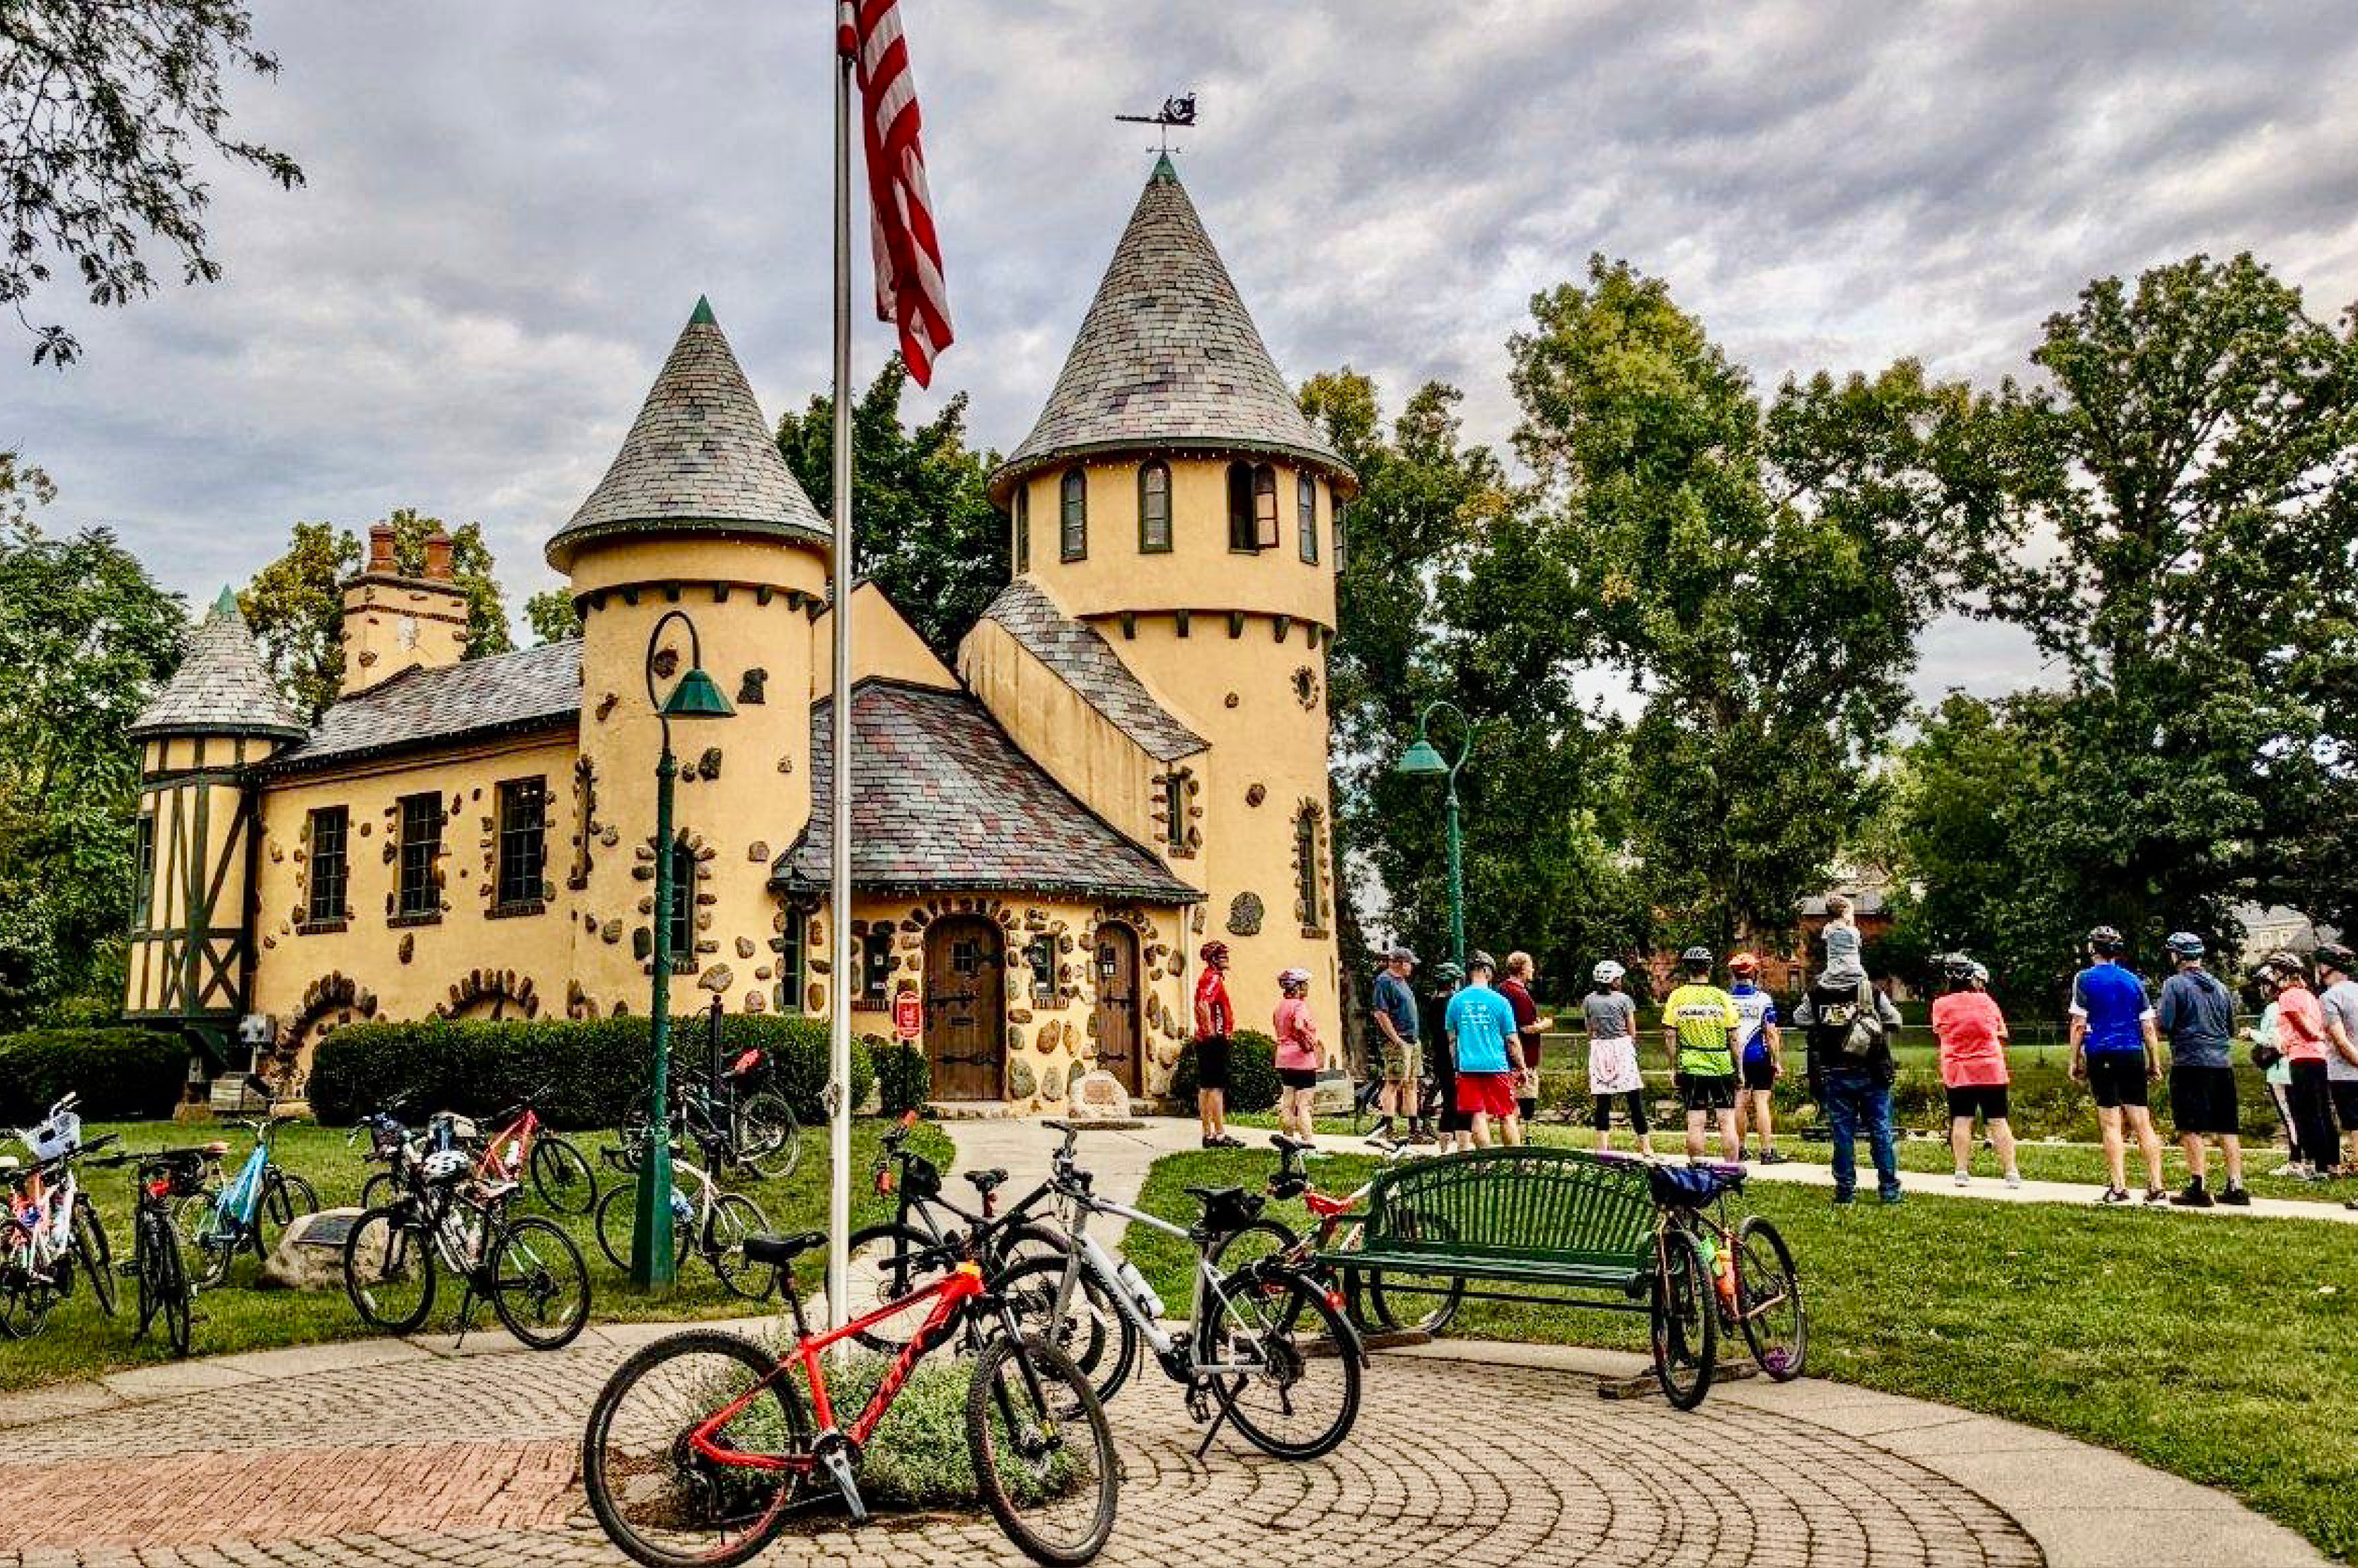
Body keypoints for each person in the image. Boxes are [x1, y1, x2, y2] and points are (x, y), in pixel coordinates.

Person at [2067, 924, 2165, 1205]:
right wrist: (2155, 1062)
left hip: (2102, 1053)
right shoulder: (2134, 980)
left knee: (2111, 1122)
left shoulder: (2084, 978)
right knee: (2142, 1121)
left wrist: (2074, 1060)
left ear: (2092, 949)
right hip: (2133, 1052)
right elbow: (2148, 1027)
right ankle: (2156, 1186)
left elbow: (2079, 1024)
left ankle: (2119, 1186)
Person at [1795, 967, 1906, 1204]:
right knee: (1881, 1130)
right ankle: (1889, 1189)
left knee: (1842, 1133)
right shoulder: (1871, 991)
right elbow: (1895, 1021)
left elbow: (1800, 1019)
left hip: (1834, 1071)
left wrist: (1830, 1021)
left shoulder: (1816, 994)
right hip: (1873, 1071)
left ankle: (1845, 1191)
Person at [2156, 931, 2247, 1207]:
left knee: (2191, 1125)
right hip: (2222, 1063)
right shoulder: (2220, 987)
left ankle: (2198, 1186)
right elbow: (2230, 1027)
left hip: (2190, 1062)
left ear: (2177, 956)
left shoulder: (2174, 984)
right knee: (2227, 1126)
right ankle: (2236, 1185)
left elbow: (2165, 1024)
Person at [1931, 954, 2021, 1188]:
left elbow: (1939, 1031)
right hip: (1991, 1068)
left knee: (1962, 1119)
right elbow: (2000, 1030)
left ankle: (1961, 1171)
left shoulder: (1940, 1004)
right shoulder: (1987, 1001)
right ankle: (2011, 1172)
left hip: (1959, 1069)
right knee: (1998, 1120)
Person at [1662, 947, 1740, 1161]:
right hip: (1721, 1064)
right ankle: (1731, 1168)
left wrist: (1673, 1067)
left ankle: (1697, 1167)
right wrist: (1740, 1069)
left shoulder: (1677, 996)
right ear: (1710, 968)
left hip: (1691, 1064)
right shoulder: (1721, 996)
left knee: (1696, 1121)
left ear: (1687, 969)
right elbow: (1734, 1037)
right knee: (1727, 1120)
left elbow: (1670, 1035)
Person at [2267, 952, 2337, 1181]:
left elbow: (2303, 1028)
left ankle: (2318, 1166)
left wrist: (2312, 1036)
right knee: (2323, 1110)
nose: (2274, 976)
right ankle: (2332, 1162)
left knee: (2308, 1112)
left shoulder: (2287, 997)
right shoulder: (2310, 996)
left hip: (2302, 1057)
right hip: (2320, 1057)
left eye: (2275, 971)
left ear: (2283, 973)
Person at [1445, 951, 1524, 1148]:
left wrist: (1456, 1066)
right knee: (1506, 1114)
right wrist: (1521, 1067)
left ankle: (1485, 1161)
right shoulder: (1500, 1002)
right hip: (1496, 1066)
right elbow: (1512, 1040)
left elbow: (1452, 1040)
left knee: (1477, 1114)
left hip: (1468, 1067)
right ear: (1488, 971)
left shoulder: (1456, 1001)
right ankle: (1515, 1159)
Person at [1583, 960, 1651, 1154]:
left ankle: (1602, 1148)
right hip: (1621, 1048)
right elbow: (1632, 1030)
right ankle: (1646, 1147)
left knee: (1603, 1101)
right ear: (1613, 980)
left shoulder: (1589, 1000)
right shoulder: (1624, 1000)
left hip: (1600, 1049)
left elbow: (1589, 1029)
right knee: (1634, 1099)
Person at [1727, 952, 1786, 1163]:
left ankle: (1740, 1149)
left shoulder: (1726, 999)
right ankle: (1767, 1152)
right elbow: (1771, 1033)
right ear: (1754, 973)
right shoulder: (1763, 999)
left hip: (1735, 1057)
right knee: (1761, 1102)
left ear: (1734, 974)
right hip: (1759, 1056)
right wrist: (1776, 1061)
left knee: (1739, 1102)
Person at [1368, 946, 1428, 1143]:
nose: (1412, 967)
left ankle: (1413, 1129)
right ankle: (1388, 1127)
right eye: (1409, 964)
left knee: (1411, 1083)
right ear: (1399, 963)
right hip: (1398, 1041)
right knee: (1393, 1083)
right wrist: (1395, 1039)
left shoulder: (1402, 982)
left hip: (1412, 1040)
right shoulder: (1385, 981)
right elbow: (1381, 1013)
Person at [1192, 941, 1243, 1149]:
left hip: (1205, 1039)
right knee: (1216, 1088)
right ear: (1213, 959)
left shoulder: (1207, 977)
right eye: (1222, 956)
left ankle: (1208, 1134)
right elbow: (1204, 1004)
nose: (1226, 959)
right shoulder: (1213, 978)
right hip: (1214, 1039)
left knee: (1206, 1087)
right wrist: (1211, 1032)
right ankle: (1220, 1135)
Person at [2316, 942, 2358, 1180]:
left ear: (2326, 967)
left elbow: (2340, 1041)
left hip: (2346, 1073)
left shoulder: (2330, 997)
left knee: (2355, 1127)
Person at [1272, 967, 1323, 1144]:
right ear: (1298, 987)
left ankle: (1288, 1138)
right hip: (1301, 1060)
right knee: (1304, 1104)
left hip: (1283, 1059)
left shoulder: (1280, 1006)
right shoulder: (1299, 1006)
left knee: (1288, 1102)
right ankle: (1307, 1142)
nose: (1307, 988)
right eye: (1305, 984)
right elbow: (1299, 1026)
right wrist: (1309, 1042)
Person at [1498, 951, 1550, 1122]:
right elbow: (1525, 1028)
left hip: (1504, 1055)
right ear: (1522, 969)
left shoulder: (1502, 989)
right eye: (1530, 966)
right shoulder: (1520, 995)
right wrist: (1543, 1025)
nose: (1533, 970)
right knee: (1522, 1105)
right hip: (1523, 1056)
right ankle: (1518, 1135)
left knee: (1509, 1102)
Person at [1423, 961, 1469, 1152]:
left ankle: (1443, 1150)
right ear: (1453, 982)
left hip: (1440, 1057)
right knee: (1463, 1104)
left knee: (1448, 1102)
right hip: (1457, 1058)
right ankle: (1463, 1150)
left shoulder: (1432, 1003)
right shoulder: (1454, 1004)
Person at [1820, 894, 1864, 984]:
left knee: (1820, 982)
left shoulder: (1828, 929)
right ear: (1845, 913)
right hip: (1855, 973)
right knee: (1867, 984)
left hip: (1833, 973)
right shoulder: (1854, 931)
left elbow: (1825, 939)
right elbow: (1859, 945)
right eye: (1851, 914)